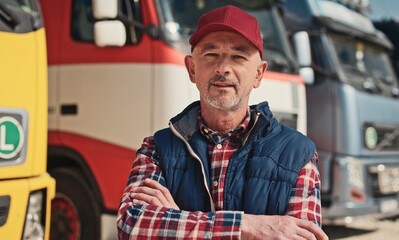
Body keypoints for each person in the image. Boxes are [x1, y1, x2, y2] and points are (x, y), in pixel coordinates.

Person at [117, 5, 328, 240]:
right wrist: (247, 226)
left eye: (238, 56)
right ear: (192, 69)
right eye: (210, 54)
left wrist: (178, 219)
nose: (223, 68)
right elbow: (132, 226)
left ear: (258, 74)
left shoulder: (298, 153)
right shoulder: (156, 149)